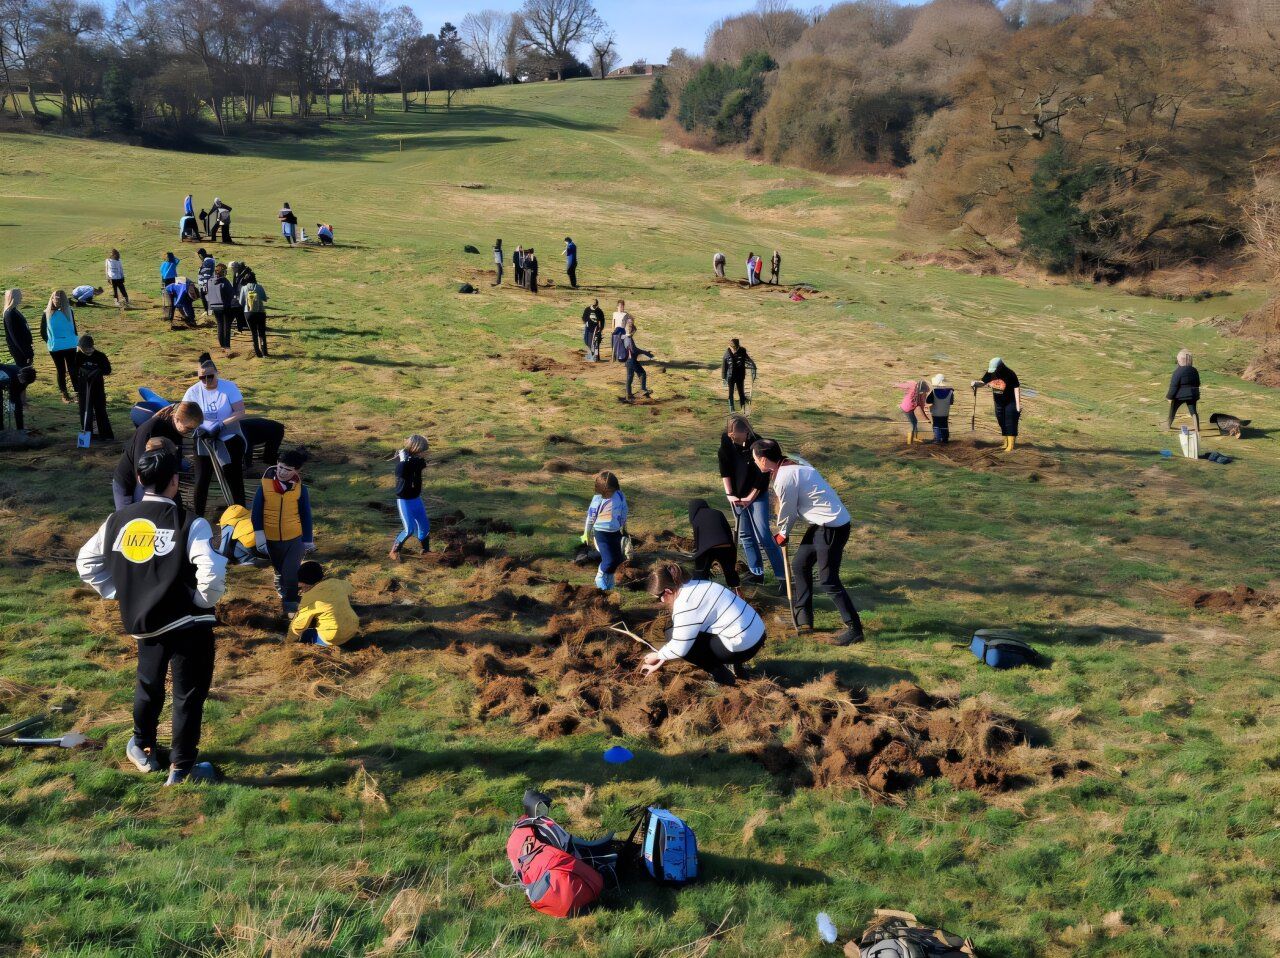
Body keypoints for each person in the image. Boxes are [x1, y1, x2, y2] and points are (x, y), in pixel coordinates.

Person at [76, 437, 228, 785]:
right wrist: (204, 601)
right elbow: (213, 571)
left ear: (141, 480)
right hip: (189, 625)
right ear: (175, 481)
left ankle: (143, 747)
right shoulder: (191, 522)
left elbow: (85, 564)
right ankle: (183, 768)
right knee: (187, 695)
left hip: (145, 623)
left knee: (148, 685)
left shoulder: (117, 520)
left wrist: (122, 592)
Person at [752, 438, 864, 645]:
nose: (755, 462)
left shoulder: (785, 476)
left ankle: (855, 629)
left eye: (756, 459)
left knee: (828, 580)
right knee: (800, 564)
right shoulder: (791, 463)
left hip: (832, 527)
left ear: (765, 460)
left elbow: (789, 510)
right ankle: (803, 619)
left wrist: (783, 533)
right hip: (821, 525)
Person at [639, 562, 765, 686]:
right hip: (757, 634)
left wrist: (657, 655)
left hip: (743, 647)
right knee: (690, 633)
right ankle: (738, 668)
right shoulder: (698, 585)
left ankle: (722, 676)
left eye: (659, 597)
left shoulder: (686, 604)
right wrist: (662, 660)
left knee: (671, 635)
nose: (660, 601)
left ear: (667, 591)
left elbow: (680, 646)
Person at [718, 415, 785, 585]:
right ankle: (757, 573)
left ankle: (782, 577)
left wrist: (750, 497)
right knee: (745, 534)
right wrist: (730, 494)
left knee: (763, 534)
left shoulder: (758, 445)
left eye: (736, 436)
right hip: (736, 497)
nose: (733, 439)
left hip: (757, 495)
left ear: (746, 431)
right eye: (731, 435)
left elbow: (762, 476)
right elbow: (724, 470)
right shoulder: (726, 442)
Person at [252, 447, 314, 616]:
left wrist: (308, 539)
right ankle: (280, 582)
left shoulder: (302, 489)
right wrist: (259, 535)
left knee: (291, 572)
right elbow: (256, 512)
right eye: (280, 467)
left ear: (296, 471)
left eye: (288, 469)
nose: (282, 472)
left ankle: (290, 608)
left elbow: (305, 514)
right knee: (280, 570)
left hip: (294, 537)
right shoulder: (264, 487)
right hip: (270, 539)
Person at [181, 359, 247, 514]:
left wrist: (221, 424)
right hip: (204, 436)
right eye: (201, 378)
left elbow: (240, 411)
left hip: (228, 434)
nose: (206, 381)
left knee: (233, 475)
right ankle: (198, 515)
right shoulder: (193, 392)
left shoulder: (229, 387)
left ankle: (241, 512)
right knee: (202, 478)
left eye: (209, 376)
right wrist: (198, 426)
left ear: (217, 373)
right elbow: (184, 415)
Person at [113, 400, 202, 508]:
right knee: (132, 517)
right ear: (177, 419)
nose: (190, 432)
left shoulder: (177, 430)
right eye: (189, 428)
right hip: (132, 480)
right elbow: (141, 468)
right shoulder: (151, 429)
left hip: (159, 479)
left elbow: (174, 461)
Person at [289, 561, 359, 647]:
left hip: (333, 636)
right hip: (353, 628)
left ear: (306, 583)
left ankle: (325, 643)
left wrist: (289, 641)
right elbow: (351, 589)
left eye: (302, 587)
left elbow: (298, 626)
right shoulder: (337, 582)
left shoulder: (308, 597)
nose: (301, 589)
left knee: (305, 634)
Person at [582, 470, 627, 591]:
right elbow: (591, 516)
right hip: (601, 533)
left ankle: (609, 578)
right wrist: (586, 533)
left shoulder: (620, 496)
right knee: (609, 560)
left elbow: (624, 511)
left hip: (615, 532)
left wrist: (624, 528)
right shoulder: (597, 499)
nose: (609, 494)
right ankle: (600, 577)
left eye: (611, 491)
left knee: (618, 560)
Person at [390, 434, 430, 560]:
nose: (425, 453)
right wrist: (403, 460)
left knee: (424, 527)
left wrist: (412, 461)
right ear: (416, 449)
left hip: (416, 499)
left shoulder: (416, 461)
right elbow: (400, 472)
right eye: (423, 450)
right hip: (404, 501)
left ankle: (426, 551)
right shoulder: (403, 464)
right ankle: (394, 552)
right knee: (409, 529)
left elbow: (421, 466)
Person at [972, 357, 1023, 452]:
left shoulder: (1010, 374)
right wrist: (975, 383)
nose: (993, 372)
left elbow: (1016, 389)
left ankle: (1010, 446)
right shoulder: (990, 373)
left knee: (1010, 423)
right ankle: (1005, 443)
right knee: (1001, 421)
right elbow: (983, 382)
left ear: (1001, 367)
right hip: (998, 402)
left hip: (1010, 402)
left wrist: (1018, 406)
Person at [688, 498, 740, 590]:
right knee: (730, 571)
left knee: (701, 571)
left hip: (708, 549)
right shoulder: (718, 513)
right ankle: (737, 590)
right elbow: (728, 531)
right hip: (726, 545)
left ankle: (702, 591)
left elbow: (698, 540)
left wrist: (697, 554)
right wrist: (732, 549)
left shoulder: (696, 518)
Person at [72, 334, 114, 440]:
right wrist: (82, 372)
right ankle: (87, 436)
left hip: (98, 389)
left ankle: (106, 435)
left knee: (101, 411)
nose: (85, 350)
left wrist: (97, 371)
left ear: (91, 346)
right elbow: (73, 371)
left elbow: (107, 370)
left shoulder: (100, 356)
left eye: (86, 348)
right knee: (86, 412)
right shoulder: (77, 356)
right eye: (82, 348)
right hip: (84, 390)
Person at [40, 289, 78, 403]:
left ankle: (71, 393)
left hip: (63, 345)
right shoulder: (50, 313)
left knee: (67, 370)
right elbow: (43, 331)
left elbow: (73, 327)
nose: (56, 300)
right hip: (63, 345)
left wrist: (50, 341)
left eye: (58, 299)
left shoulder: (65, 312)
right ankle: (70, 394)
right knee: (66, 369)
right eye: (55, 298)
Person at [1166, 349, 1201, 432]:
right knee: (1193, 411)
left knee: (1173, 410)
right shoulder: (1194, 370)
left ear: (1179, 360)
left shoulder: (1178, 371)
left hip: (1179, 396)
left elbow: (1173, 386)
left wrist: (1169, 397)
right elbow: (1198, 383)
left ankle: (1168, 425)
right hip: (1192, 395)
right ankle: (1197, 427)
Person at [238, 270, 270, 358]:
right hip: (260, 312)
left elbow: (241, 302)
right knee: (262, 333)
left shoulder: (243, 288)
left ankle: (257, 352)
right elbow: (264, 299)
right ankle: (264, 352)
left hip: (248, 313)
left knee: (253, 333)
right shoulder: (259, 287)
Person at [621, 319, 654, 402]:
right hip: (631, 360)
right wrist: (645, 353)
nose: (633, 331)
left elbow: (634, 349)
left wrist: (645, 352)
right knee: (642, 373)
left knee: (630, 377)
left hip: (627, 361)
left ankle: (628, 395)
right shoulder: (628, 338)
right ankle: (643, 390)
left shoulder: (624, 336)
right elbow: (634, 350)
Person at [206, 264, 236, 353]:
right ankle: (227, 346)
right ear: (223, 272)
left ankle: (221, 345)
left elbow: (208, 294)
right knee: (226, 326)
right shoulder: (225, 281)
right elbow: (231, 294)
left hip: (214, 306)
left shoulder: (210, 281)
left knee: (219, 325)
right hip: (225, 306)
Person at [721, 338, 755, 412]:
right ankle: (732, 409)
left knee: (741, 392)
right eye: (732, 347)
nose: (734, 349)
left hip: (740, 376)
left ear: (738, 346)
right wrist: (723, 377)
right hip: (731, 376)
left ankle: (743, 408)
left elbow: (748, 359)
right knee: (731, 392)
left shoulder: (742, 351)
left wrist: (753, 365)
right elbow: (724, 365)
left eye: (735, 347)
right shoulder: (727, 353)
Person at [4, 288, 34, 370]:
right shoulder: (9, 314)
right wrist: (26, 353)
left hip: (25, 349)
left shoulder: (15, 311)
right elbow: (15, 338)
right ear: (13, 297)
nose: (21, 298)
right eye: (19, 295)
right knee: (23, 375)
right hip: (20, 352)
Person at [894, 378, 931, 445]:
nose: (925, 393)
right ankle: (910, 440)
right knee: (913, 424)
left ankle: (915, 437)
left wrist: (927, 419)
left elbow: (922, 409)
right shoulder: (914, 387)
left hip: (907, 407)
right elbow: (904, 385)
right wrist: (897, 384)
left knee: (915, 422)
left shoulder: (918, 393)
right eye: (924, 392)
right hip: (907, 408)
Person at [0, 363, 35, 432]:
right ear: (20, 376)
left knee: (18, 406)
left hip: (13, 383)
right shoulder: (7, 375)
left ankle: (20, 429)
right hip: (3, 380)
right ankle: (1, 429)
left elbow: (22, 389)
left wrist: (24, 402)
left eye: (27, 383)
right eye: (25, 382)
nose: (25, 384)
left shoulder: (27, 378)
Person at [926, 374, 954, 444]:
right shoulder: (951, 392)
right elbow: (951, 402)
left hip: (936, 412)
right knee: (944, 425)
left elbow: (928, 401)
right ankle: (945, 439)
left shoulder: (934, 391)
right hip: (945, 412)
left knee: (936, 425)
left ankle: (937, 439)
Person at [196, 248, 216, 315]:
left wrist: (205, 285)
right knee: (205, 297)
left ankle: (208, 311)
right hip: (206, 283)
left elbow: (206, 274)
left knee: (205, 297)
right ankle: (208, 311)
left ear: (201, 255)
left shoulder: (207, 262)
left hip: (205, 283)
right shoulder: (208, 261)